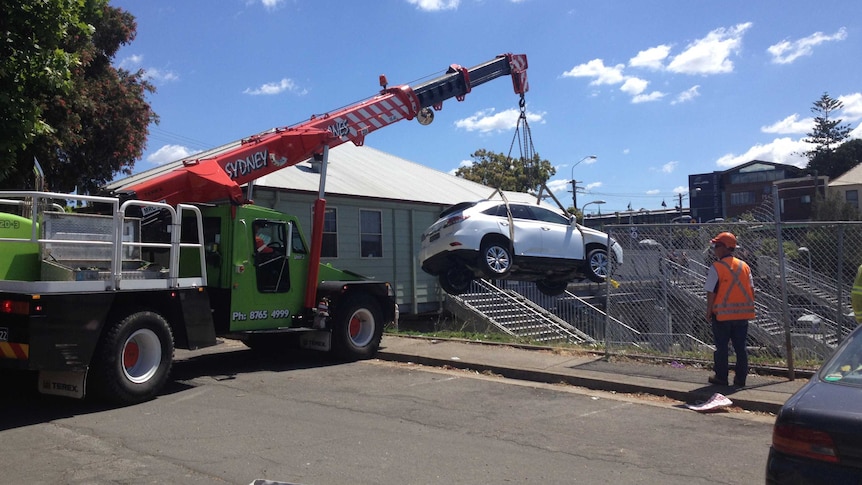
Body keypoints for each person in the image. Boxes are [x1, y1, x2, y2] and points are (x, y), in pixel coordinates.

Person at [704, 231, 755, 388]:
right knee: (741, 348)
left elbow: (711, 292)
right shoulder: (745, 266)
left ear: (725, 247)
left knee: (722, 348)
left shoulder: (717, 267)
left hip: (722, 315)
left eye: (716, 246)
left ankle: (721, 377)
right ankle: (740, 380)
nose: (714, 250)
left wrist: (709, 311)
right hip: (743, 315)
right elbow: (752, 290)